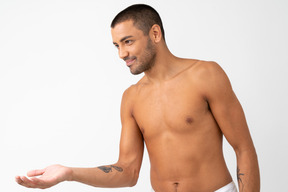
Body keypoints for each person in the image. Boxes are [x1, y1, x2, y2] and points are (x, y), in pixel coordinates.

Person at [15, 4, 260, 192]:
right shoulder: (131, 98)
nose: (122, 54)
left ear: (155, 34)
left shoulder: (205, 74)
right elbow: (128, 171)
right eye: (116, 46)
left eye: (128, 42)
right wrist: (69, 173)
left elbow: (243, 148)